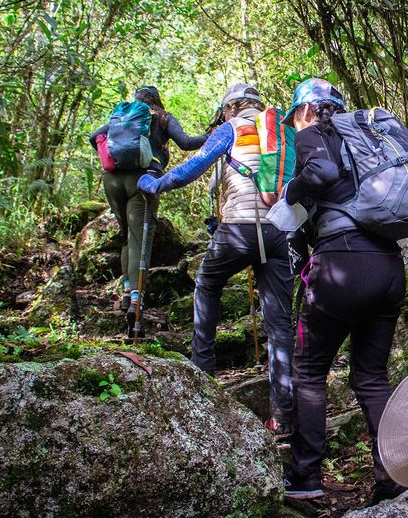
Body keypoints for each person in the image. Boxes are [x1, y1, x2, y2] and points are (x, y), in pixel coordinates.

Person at [279, 78, 408, 505]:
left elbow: (321, 174)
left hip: (343, 263)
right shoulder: (368, 142)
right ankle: (395, 475)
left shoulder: (313, 134)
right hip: (389, 267)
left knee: (309, 371)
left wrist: (291, 190)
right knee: (372, 377)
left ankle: (304, 477)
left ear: (304, 111)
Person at [136, 83, 296, 441]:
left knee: (207, 285)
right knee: (280, 323)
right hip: (278, 232)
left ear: (231, 108)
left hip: (239, 230)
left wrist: (156, 183)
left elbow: (194, 166)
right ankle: (283, 417)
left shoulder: (232, 128)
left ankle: (201, 374)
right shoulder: (282, 131)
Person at [89, 86, 207, 326]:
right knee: (139, 239)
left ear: (137, 101)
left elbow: (95, 137)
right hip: (143, 179)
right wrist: (212, 136)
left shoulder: (124, 117)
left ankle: (126, 293)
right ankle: (136, 300)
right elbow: (185, 142)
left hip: (112, 179)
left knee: (125, 236)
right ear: (157, 101)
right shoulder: (162, 117)